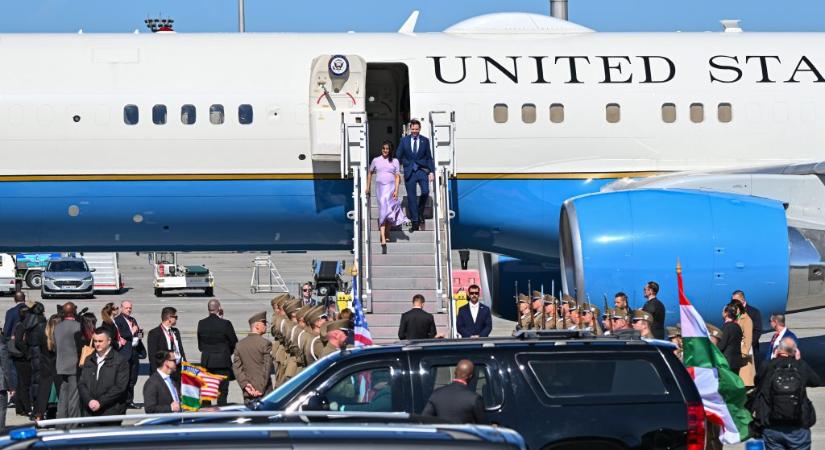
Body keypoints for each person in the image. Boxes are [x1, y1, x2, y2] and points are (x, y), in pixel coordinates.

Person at [752, 338, 820, 450]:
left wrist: (772, 360)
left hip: (772, 425)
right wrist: (799, 361)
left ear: (778, 350)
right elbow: (815, 381)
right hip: (797, 426)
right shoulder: (799, 366)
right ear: (795, 351)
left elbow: (757, 382)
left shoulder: (768, 365)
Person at [77, 327, 129, 422]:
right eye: (95, 341)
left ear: (109, 341)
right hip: (90, 412)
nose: (97, 344)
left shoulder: (120, 361)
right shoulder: (89, 359)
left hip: (111, 413)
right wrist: (89, 401)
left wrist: (100, 402)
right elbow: (82, 383)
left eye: (100, 341)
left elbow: (120, 387)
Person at [366, 140, 409, 250]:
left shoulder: (395, 161)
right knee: (383, 211)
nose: (385, 150)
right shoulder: (376, 160)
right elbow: (370, 173)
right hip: (380, 188)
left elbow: (397, 177)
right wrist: (367, 187)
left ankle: (387, 232)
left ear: (390, 150)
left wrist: (396, 191)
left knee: (390, 211)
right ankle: (383, 238)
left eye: (387, 149)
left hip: (390, 188)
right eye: (383, 148)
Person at [396, 119, 435, 232]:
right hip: (409, 171)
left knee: (425, 192)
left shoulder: (425, 141)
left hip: (422, 170)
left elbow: (429, 157)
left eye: (416, 129)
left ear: (419, 129)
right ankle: (415, 221)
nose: (414, 131)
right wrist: (396, 169)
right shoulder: (404, 140)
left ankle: (420, 211)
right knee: (412, 198)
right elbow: (398, 155)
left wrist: (431, 171)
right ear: (410, 129)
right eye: (412, 129)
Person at [197, 299, 238, 406]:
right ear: (219, 308)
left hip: (207, 362)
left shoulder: (201, 323)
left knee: (206, 394)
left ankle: (206, 416)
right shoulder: (225, 324)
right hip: (222, 363)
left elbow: (200, 346)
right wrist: (226, 353)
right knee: (222, 394)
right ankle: (221, 415)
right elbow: (234, 342)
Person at [421, 359, 486, 424]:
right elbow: (484, 427)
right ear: (470, 376)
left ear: (455, 371)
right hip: (463, 434)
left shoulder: (437, 393)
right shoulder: (474, 398)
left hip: (442, 433)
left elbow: (424, 419)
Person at [232, 311, 273, 401]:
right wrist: (260, 389)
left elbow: (237, 368)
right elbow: (267, 368)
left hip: (248, 392)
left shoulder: (240, 345)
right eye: (264, 323)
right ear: (257, 326)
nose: (266, 325)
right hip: (265, 392)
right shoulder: (265, 344)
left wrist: (246, 385)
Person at [54, 302, 82, 420]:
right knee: (73, 398)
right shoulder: (78, 326)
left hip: (61, 365)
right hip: (74, 366)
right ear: (73, 311)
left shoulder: (57, 327)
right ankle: (73, 424)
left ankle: (60, 423)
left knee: (63, 397)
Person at [114, 300, 141, 408]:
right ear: (121, 308)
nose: (129, 310)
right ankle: (122, 401)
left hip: (134, 351)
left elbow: (139, 332)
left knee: (133, 378)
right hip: (124, 353)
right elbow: (122, 334)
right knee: (124, 378)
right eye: (126, 308)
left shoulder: (133, 319)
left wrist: (139, 336)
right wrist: (132, 332)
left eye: (130, 308)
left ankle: (130, 401)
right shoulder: (118, 320)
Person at [33, 313, 60, 420]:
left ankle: (39, 415)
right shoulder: (60, 338)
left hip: (45, 367)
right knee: (57, 395)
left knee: (43, 395)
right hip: (57, 369)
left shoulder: (42, 334)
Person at [147, 307, 185, 376]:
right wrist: (157, 374)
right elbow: (152, 356)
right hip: (164, 370)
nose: (176, 319)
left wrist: (185, 367)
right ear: (169, 318)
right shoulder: (154, 333)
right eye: (175, 317)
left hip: (177, 370)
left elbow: (181, 350)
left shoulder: (176, 331)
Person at [10, 303, 32, 417]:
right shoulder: (22, 326)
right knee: (24, 385)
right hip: (22, 359)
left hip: (21, 358)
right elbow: (18, 341)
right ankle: (27, 407)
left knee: (21, 384)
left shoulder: (21, 325)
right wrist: (27, 353)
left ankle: (20, 407)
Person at [732, 290, 763, 369]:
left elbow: (758, 331)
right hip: (736, 350)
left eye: (735, 300)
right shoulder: (732, 312)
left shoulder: (754, 312)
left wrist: (747, 345)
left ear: (742, 300)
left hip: (750, 349)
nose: (733, 303)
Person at [731, 301, 756, 388]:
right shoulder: (735, 319)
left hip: (743, 357)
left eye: (734, 309)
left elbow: (748, 339)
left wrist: (743, 353)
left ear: (738, 309)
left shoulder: (746, 320)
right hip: (737, 356)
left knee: (744, 381)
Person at [717, 303, 744, 373]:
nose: (722, 313)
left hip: (727, 362)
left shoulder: (726, 327)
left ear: (726, 313)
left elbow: (721, 346)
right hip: (736, 362)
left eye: (723, 311)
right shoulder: (738, 327)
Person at [0, 329, 16, 429]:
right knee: (1, 409)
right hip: (0, 386)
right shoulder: (2, 347)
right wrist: (11, 387)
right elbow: (6, 369)